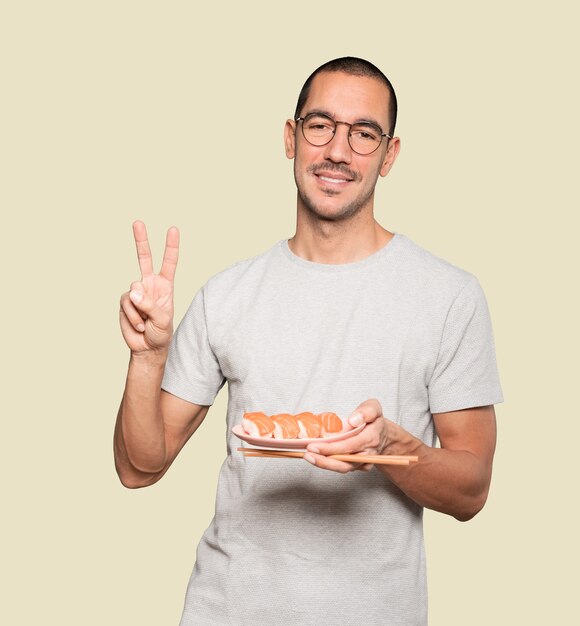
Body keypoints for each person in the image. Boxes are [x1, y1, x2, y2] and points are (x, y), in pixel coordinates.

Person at [115, 57, 503, 626]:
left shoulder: (449, 296)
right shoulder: (228, 293)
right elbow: (139, 467)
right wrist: (147, 357)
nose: (338, 151)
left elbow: (472, 491)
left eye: (364, 134)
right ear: (291, 137)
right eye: (320, 125)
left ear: (389, 155)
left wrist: (391, 448)